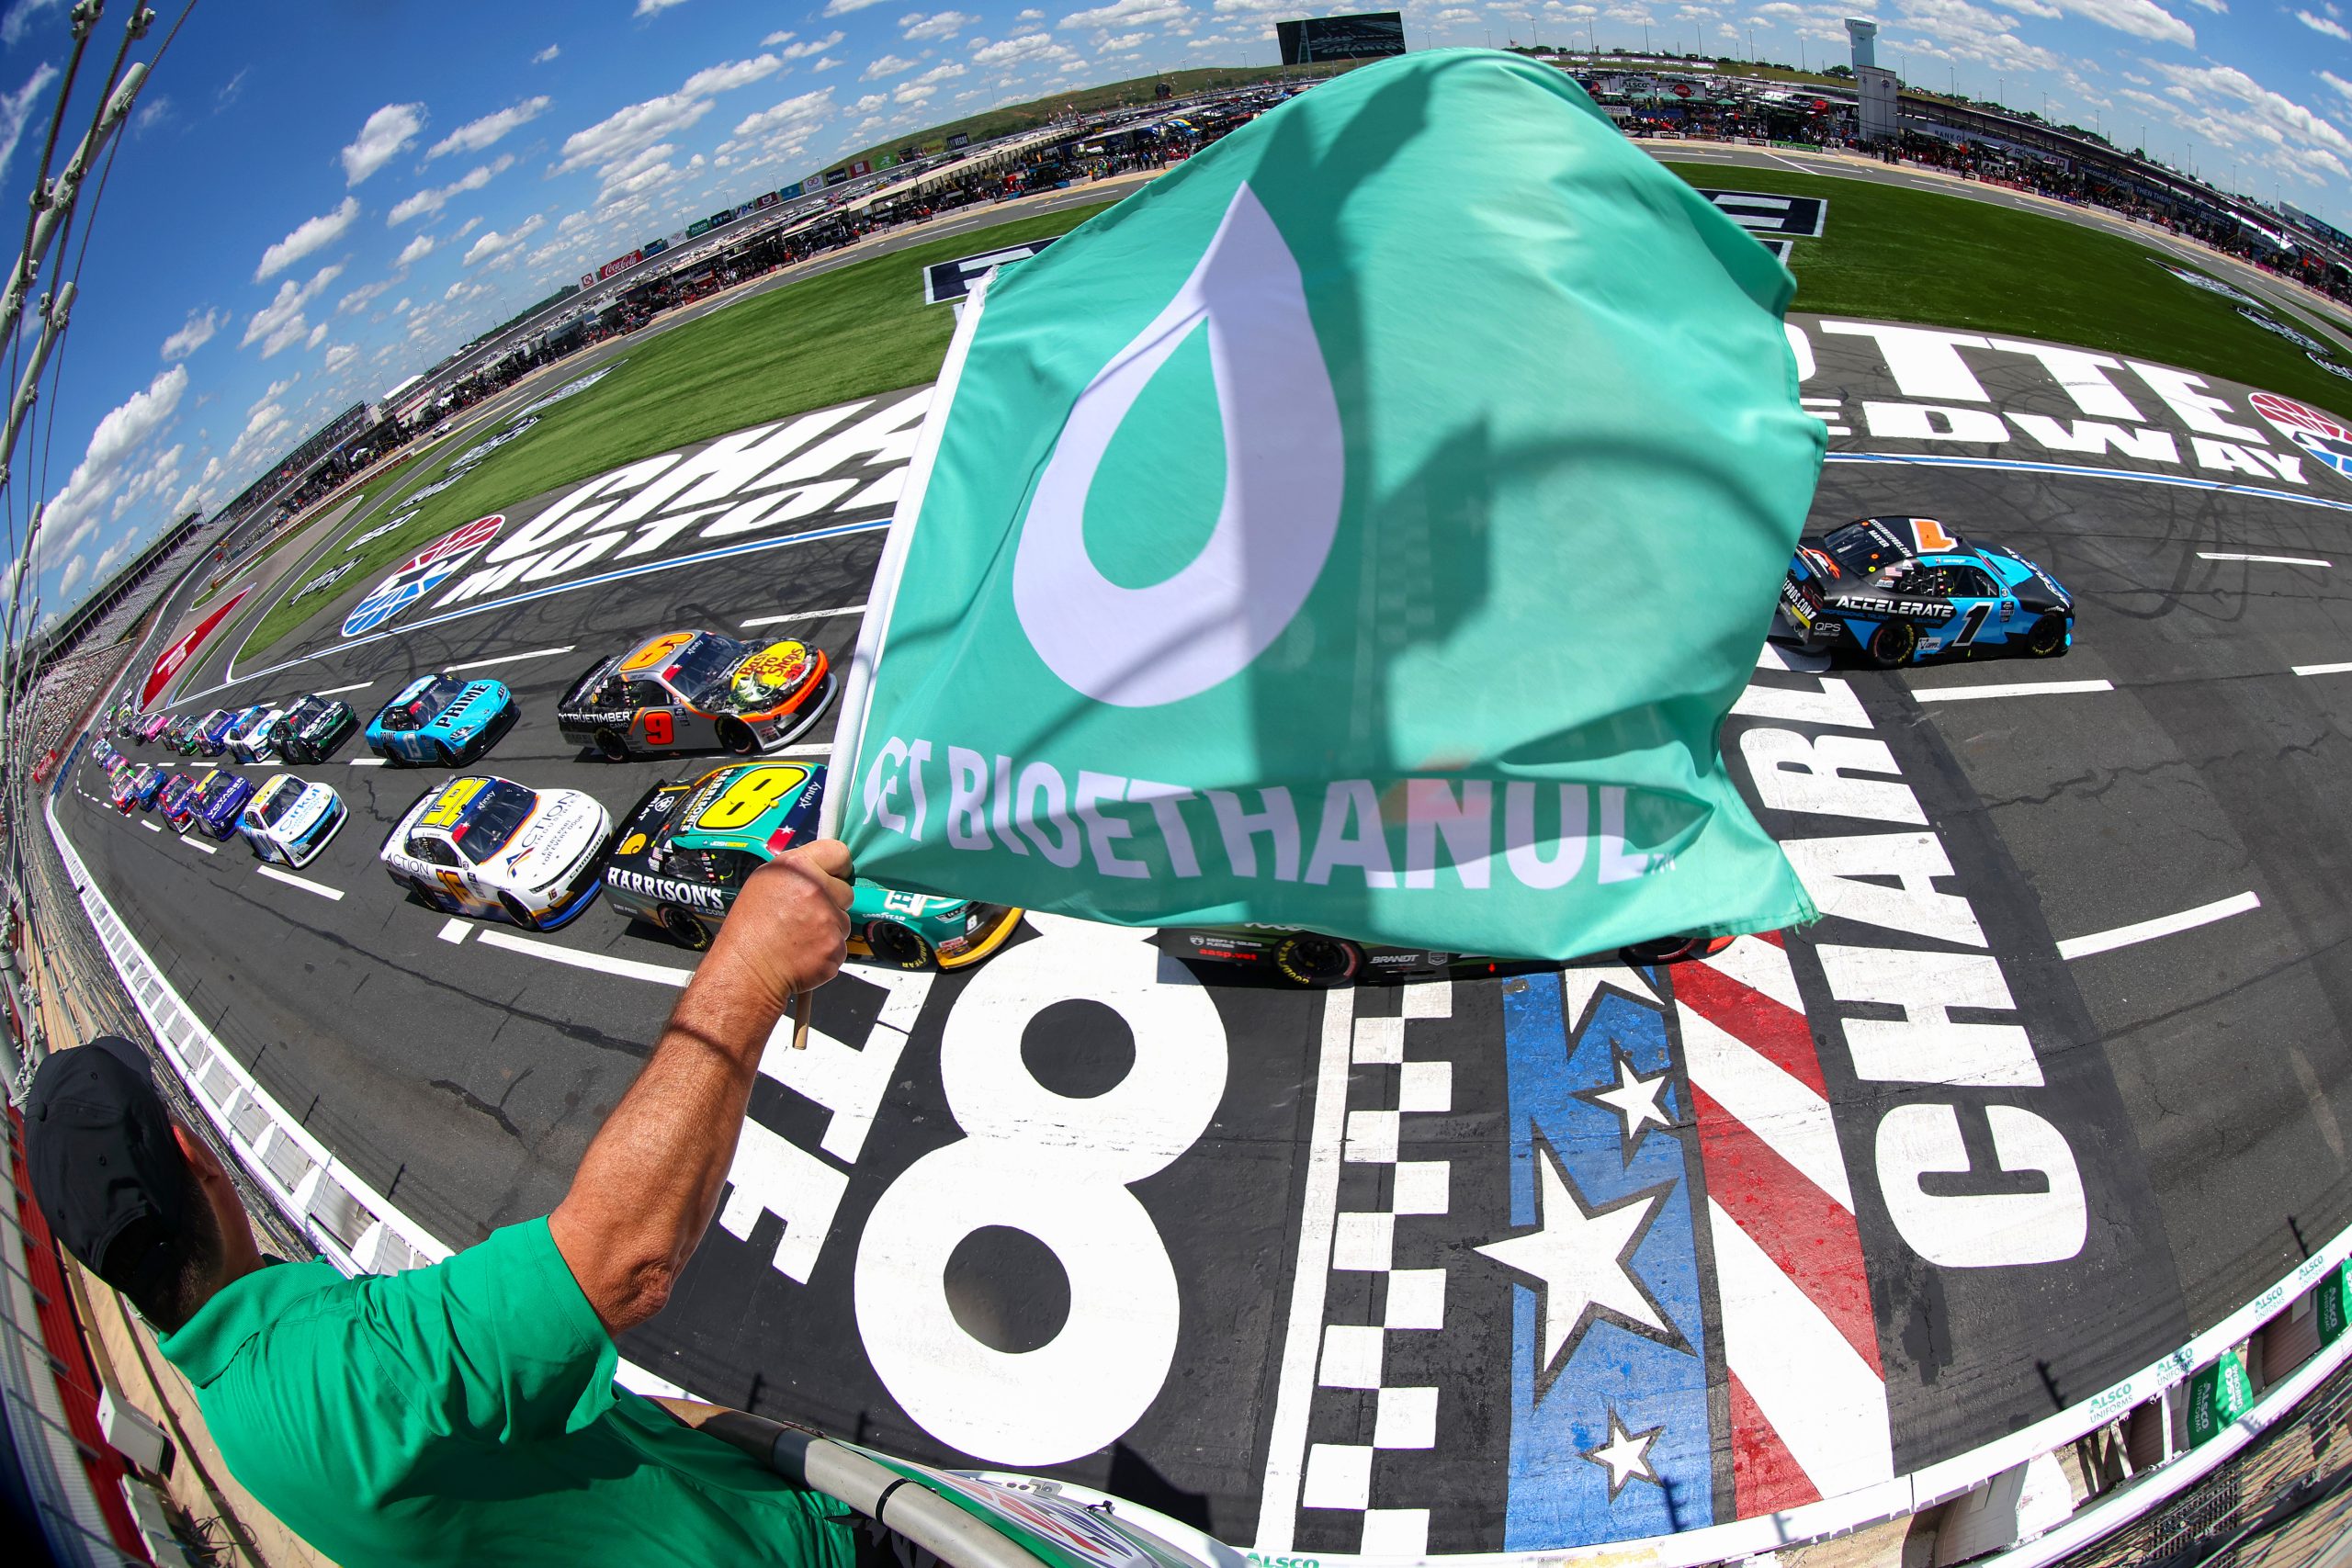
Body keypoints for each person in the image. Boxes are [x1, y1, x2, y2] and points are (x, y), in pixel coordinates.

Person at [27, 842, 860, 1568]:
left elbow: (497, 1419)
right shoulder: (336, 1364)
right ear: (193, 1155)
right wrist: (751, 963)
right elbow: (621, 1258)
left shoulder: (236, 1398)